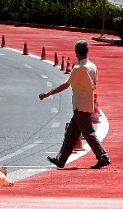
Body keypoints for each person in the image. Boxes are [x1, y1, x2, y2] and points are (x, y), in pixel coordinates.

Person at [39, 40, 111, 169]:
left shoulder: (79, 68)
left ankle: (103, 156)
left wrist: (48, 93)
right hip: (86, 103)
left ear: (76, 52)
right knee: (71, 134)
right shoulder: (92, 66)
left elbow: (66, 85)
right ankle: (61, 159)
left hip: (80, 105)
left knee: (88, 133)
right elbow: (94, 84)